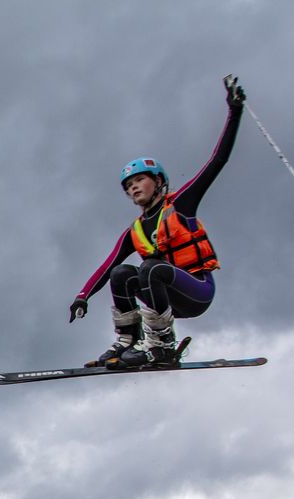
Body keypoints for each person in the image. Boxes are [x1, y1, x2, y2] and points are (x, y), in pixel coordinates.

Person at [69, 77, 246, 369]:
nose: (134, 188)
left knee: (150, 267)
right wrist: (82, 296)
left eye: (140, 180)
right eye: (129, 185)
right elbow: (107, 264)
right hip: (165, 299)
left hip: (196, 292)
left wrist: (234, 112)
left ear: (159, 182)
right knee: (123, 272)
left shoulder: (180, 205)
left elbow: (218, 160)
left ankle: (161, 344)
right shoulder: (135, 230)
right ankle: (128, 342)